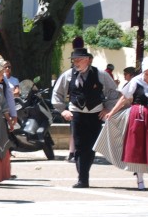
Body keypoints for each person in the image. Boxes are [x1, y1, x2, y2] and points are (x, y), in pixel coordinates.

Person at [99, 57, 148, 190]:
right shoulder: (136, 81)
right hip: (136, 116)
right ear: (143, 71)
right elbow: (124, 97)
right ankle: (140, 178)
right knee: (137, 146)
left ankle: (141, 174)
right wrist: (112, 112)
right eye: (147, 74)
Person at [51, 45, 119, 188]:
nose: (76, 62)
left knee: (91, 147)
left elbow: (113, 92)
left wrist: (108, 108)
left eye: (79, 60)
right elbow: (57, 94)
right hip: (76, 114)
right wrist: (63, 110)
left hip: (95, 114)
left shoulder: (101, 74)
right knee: (80, 146)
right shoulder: (68, 75)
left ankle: (83, 174)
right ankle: (83, 178)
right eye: (74, 60)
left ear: (88, 60)